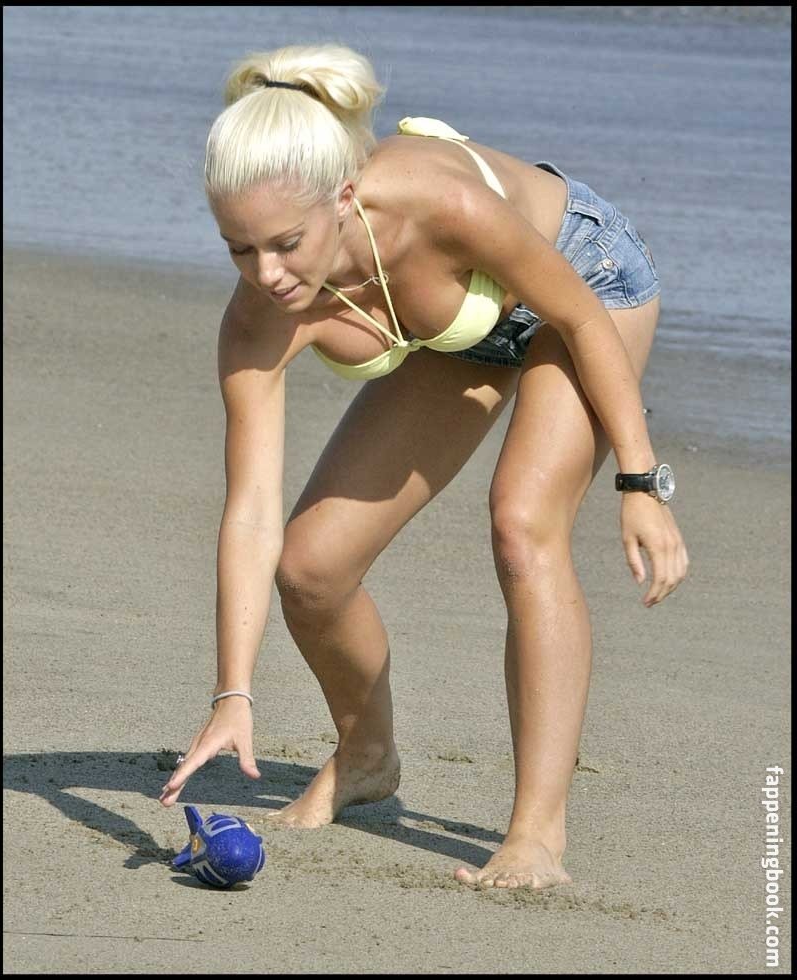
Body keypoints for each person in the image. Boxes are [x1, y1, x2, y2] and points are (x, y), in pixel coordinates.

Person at [159, 43, 688, 891]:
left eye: (287, 243)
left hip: (584, 283)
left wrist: (640, 482)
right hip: (462, 333)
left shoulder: (437, 202)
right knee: (311, 568)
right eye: (239, 249)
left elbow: (582, 318)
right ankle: (367, 756)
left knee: (523, 524)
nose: (267, 274)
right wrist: (234, 692)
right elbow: (251, 511)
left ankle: (536, 835)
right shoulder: (259, 315)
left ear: (343, 197)